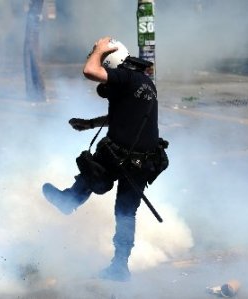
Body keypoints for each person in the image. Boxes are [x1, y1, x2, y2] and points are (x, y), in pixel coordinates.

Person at [42, 36, 168, 282]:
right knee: (125, 213)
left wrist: (99, 50)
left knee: (95, 167)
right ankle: (120, 267)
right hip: (145, 160)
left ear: (111, 63)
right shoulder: (142, 81)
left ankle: (69, 200)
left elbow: (90, 71)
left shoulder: (125, 76)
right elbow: (123, 116)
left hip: (123, 154)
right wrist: (90, 124)